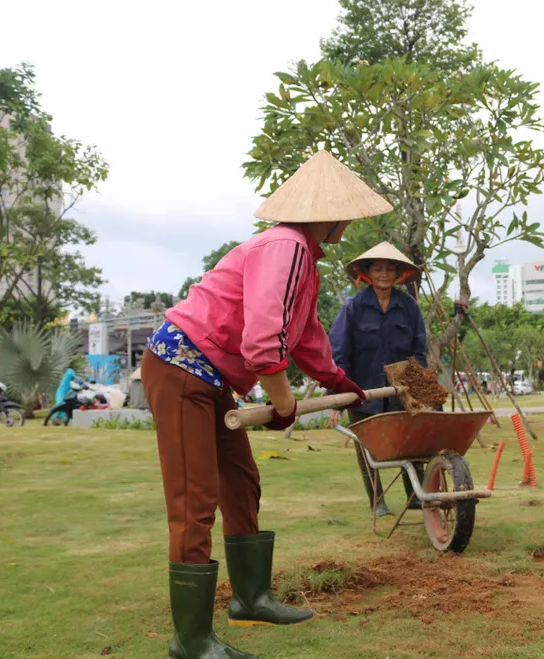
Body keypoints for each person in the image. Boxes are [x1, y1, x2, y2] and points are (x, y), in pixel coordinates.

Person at [140, 151, 390, 659]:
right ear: (332, 213)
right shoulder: (286, 247)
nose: (348, 223)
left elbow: (306, 335)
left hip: (209, 376)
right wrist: (283, 402)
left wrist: (339, 380)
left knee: (242, 481)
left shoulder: (302, 256)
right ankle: (191, 641)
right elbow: (263, 340)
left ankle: (250, 598)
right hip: (181, 366)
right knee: (195, 500)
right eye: (347, 215)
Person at [327, 242, 428, 517]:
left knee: (411, 445)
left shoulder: (408, 307)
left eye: (389, 269)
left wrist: (419, 389)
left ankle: (415, 496)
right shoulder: (354, 307)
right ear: (368, 273)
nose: (384, 274)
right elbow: (339, 353)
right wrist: (337, 399)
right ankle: (378, 502)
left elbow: (418, 351)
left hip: (400, 391)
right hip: (361, 392)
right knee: (367, 451)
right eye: (378, 269)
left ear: (398, 274)